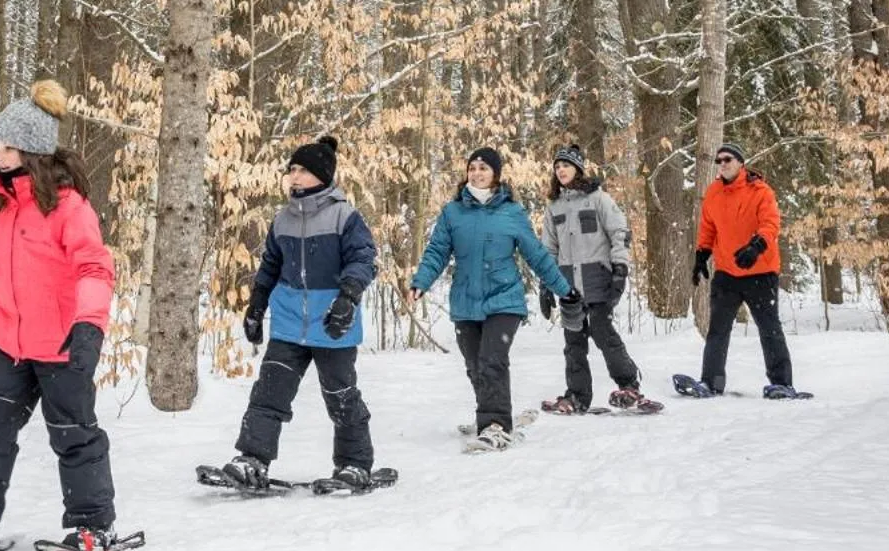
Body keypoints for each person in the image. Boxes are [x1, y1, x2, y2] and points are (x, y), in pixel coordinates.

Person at [0, 79, 125, 551]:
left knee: (74, 436)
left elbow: (95, 266)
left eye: (11, 147)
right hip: (11, 345)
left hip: (60, 345)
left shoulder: (68, 208)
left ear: (34, 151)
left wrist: (89, 326)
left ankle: (93, 525)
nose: (0, 155)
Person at [219, 135, 379, 490]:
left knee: (340, 395)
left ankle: (355, 464)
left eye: (302, 169)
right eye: (291, 169)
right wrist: (257, 304)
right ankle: (252, 459)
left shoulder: (345, 216)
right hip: (290, 324)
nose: (293, 176)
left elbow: (363, 260)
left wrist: (348, 297)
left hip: (333, 323)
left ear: (321, 174)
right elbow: (270, 265)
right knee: (268, 392)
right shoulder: (282, 219)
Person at [409, 146, 575, 449]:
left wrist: (564, 289)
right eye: (472, 168)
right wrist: (421, 281)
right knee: (475, 365)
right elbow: (437, 251)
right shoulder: (453, 211)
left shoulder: (511, 212)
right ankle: (488, 410)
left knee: (492, 360)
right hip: (466, 301)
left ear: (495, 174)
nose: (477, 173)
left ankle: (496, 423)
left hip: (504, 299)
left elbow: (536, 255)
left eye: (484, 168)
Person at [538, 144, 659, 413]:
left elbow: (619, 233)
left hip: (598, 280)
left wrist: (620, 269)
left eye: (566, 165)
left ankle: (629, 384)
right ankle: (577, 396)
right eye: (557, 167)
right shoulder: (554, 207)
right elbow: (547, 250)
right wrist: (546, 286)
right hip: (568, 286)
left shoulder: (598, 199)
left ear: (578, 168)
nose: (561, 171)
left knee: (604, 334)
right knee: (574, 343)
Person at [684, 141, 802, 399]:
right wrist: (701, 256)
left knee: (769, 329)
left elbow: (770, 225)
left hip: (760, 271)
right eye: (719, 161)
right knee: (718, 329)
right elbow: (708, 228)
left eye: (728, 159)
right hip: (727, 272)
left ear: (740, 162)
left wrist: (755, 247)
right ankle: (711, 382)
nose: (723, 164)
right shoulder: (714, 192)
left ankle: (782, 383)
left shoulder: (760, 191)